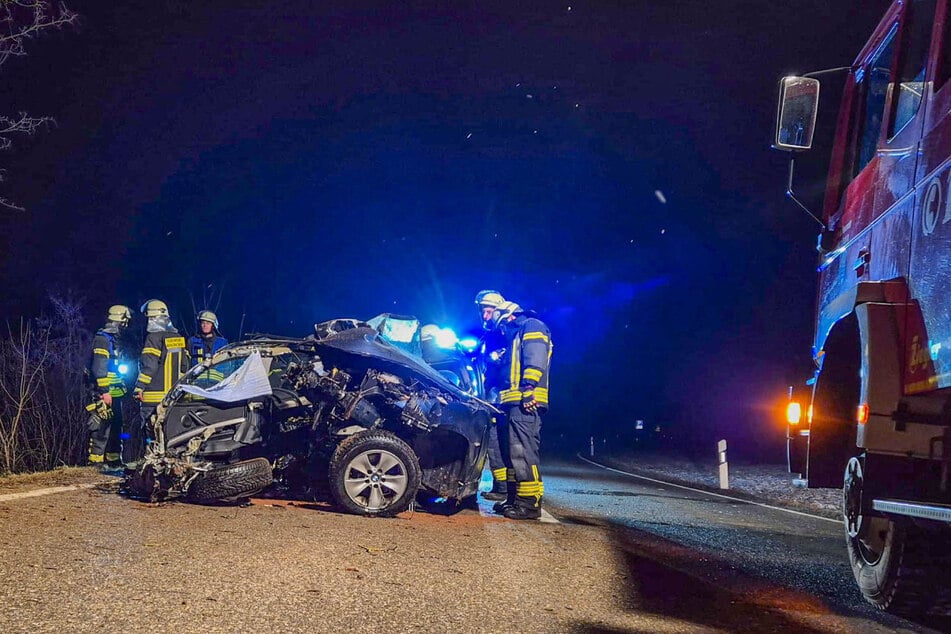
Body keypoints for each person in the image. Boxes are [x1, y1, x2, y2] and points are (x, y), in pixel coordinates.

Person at [481, 294, 552, 520]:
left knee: (522, 453)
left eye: (502, 321)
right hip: (511, 402)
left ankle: (529, 504)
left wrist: (529, 387)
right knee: (511, 454)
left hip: (526, 401)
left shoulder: (531, 326)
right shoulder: (513, 336)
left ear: (509, 314)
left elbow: (535, 357)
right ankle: (513, 498)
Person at [133, 300, 189, 448]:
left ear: (153, 318)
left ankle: (150, 462)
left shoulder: (153, 338)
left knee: (151, 431)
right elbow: (185, 366)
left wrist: (139, 387)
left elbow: (149, 366)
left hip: (153, 395)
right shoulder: (178, 338)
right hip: (174, 396)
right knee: (170, 432)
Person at [86, 305, 132, 469]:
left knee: (116, 426)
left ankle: (113, 460)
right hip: (103, 392)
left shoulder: (113, 341)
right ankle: (95, 462)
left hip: (115, 392)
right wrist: (104, 392)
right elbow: (98, 369)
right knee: (101, 426)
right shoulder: (102, 339)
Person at [474, 290, 509, 501]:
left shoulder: (506, 333)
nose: (485, 317)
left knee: (498, 444)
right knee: (493, 445)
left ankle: (503, 487)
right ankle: (501, 486)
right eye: (483, 312)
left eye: (488, 312)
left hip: (500, 400)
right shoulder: (489, 335)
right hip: (490, 397)